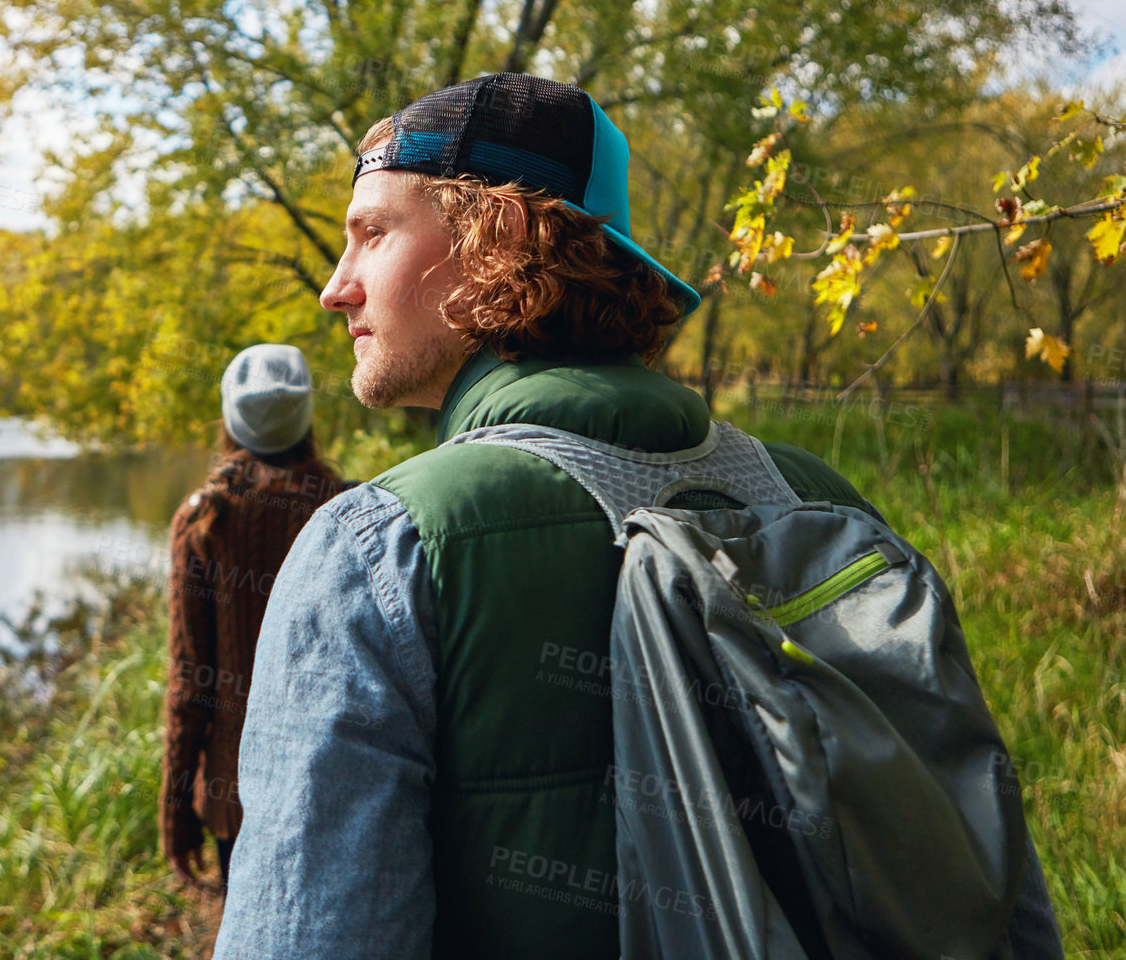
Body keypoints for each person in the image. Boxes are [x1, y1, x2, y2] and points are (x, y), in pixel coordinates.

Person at [212, 74, 1060, 958]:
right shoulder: (824, 499)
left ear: (491, 238)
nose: (335, 287)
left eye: (373, 233)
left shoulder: (376, 548)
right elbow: (997, 879)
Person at [160, 343, 348, 892]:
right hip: (336, 780)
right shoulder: (349, 506)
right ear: (306, 417)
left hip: (234, 791)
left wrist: (175, 807)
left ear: (229, 418)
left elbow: (189, 681)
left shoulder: (204, 519)